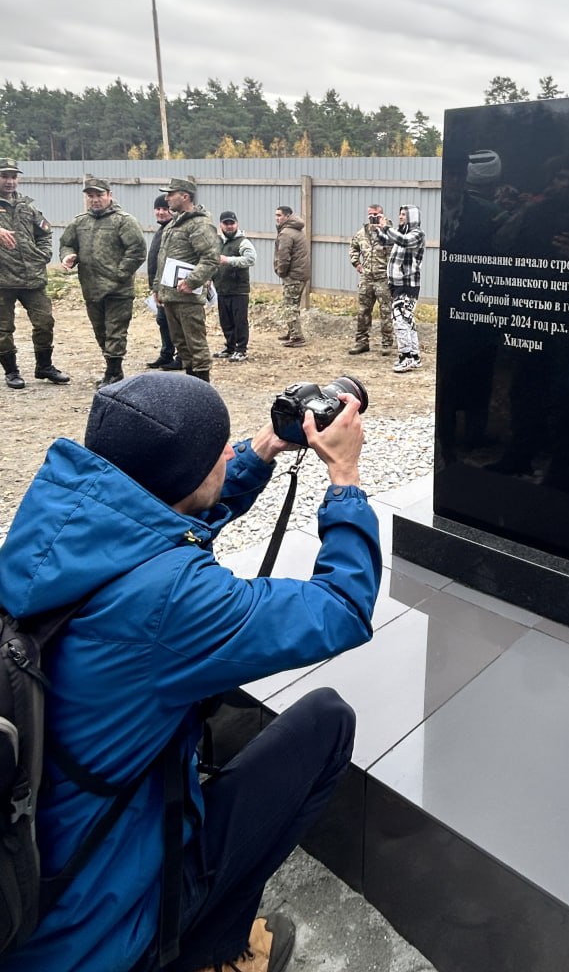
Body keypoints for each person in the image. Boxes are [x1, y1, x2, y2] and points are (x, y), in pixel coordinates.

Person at [0, 370, 380, 972]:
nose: (226, 461)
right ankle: (206, 952)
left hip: (33, 875)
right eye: (218, 454)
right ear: (189, 474)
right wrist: (345, 480)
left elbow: (161, 519)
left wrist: (262, 449)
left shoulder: (60, 516)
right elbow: (340, 611)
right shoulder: (170, 605)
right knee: (326, 723)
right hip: (97, 932)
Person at [59, 173, 147, 386]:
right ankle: (111, 368)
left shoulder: (123, 221)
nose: (94, 199)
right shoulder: (80, 222)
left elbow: (137, 250)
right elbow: (66, 243)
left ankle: (114, 373)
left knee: (115, 332)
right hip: (91, 288)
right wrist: (67, 256)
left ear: (109, 195)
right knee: (101, 332)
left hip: (118, 290)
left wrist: (120, 274)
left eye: (99, 195)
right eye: (90, 195)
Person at [0, 158, 70, 389]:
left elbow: (45, 233)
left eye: (13, 177)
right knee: (3, 329)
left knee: (44, 323)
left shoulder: (27, 206)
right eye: (4, 176)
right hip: (3, 280)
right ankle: (11, 372)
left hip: (33, 278)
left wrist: (43, 255)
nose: (10, 181)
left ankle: (44, 366)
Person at [153, 176, 221, 381]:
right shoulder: (174, 223)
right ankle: (191, 386)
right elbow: (163, 257)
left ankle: (202, 388)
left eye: (171, 194)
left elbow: (211, 258)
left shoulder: (199, 224)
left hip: (188, 297)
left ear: (185, 196)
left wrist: (192, 282)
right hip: (171, 296)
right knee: (182, 346)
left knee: (196, 345)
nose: (167, 199)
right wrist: (157, 288)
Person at [376, 204, 425, 373]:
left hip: (408, 284)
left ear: (412, 217)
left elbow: (404, 242)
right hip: (397, 284)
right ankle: (415, 356)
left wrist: (387, 228)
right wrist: (379, 229)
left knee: (399, 319)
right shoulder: (401, 232)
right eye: (400, 214)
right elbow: (386, 240)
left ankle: (406, 357)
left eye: (404, 214)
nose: (401, 217)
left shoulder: (417, 234)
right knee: (407, 319)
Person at [347, 204, 394, 357]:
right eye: (370, 214)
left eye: (376, 214)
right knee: (363, 311)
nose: (372, 217)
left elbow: (398, 249)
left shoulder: (390, 232)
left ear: (382, 215)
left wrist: (384, 228)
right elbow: (353, 247)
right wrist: (356, 263)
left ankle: (387, 343)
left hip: (383, 278)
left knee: (386, 312)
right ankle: (362, 342)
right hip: (366, 278)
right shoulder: (362, 233)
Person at [214, 211, 257, 362]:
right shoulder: (218, 242)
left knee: (240, 321)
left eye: (232, 223)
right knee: (226, 320)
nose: (229, 226)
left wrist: (228, 260)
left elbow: (251, 259)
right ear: (221, 225)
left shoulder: (243, 242)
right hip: (222, 289)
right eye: (226, 223)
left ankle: (241, 349)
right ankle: (230, 347)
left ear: (237, 224)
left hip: (239, 290)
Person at [146, 195, 181, 370]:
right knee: (163, 321)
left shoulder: (174, 230)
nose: (160, 212)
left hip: (172, 287)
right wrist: (154, 287)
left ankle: (182, 356)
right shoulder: (161, 230)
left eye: (165, 209)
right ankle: (166, 354)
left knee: (176, 323)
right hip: (159, 287)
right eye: (158, 209)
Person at [274, 205, 310, 348]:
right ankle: (292, 331)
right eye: (276, 215)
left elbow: (284, 256)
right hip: (300, 274)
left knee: (290, 306)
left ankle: (297, 337)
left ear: (287, 216)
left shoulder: (286, 233)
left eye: (279, 215)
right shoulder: (296, 230)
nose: (277, 218)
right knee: (293, 304)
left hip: (293, 275)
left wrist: (281, 272)